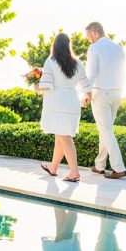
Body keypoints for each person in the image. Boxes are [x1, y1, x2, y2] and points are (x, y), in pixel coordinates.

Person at [36, 32, 92, 182]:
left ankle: (74, 172)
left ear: (55, 45)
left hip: (56, 102)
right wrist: (88, 97)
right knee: (60, 136)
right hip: (72, 102)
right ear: (68, 45)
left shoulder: (51, 61)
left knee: (64, 137)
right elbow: (86, 85)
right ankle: (53, 168)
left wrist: (36, 87)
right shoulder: (78, 63)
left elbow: (46, 86)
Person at [84, 21, 126, 179]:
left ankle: (119, 167)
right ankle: (99, 165)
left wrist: (86, 93)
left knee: (106, 130)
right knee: (106, 129)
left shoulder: (94, 48)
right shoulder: (118, 48)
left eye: (88, 35)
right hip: (117, 93)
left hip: (101, 93)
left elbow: (91, 73)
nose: (89, 39)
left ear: (94, 32)